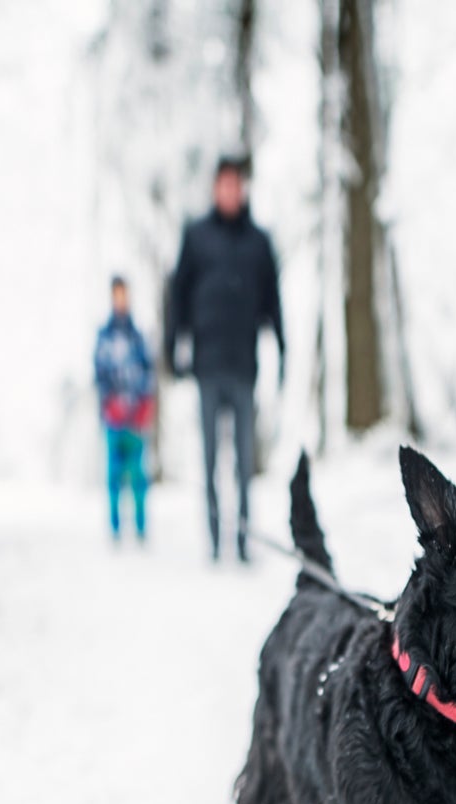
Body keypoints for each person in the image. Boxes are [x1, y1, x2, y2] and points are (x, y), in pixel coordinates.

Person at [166, 152, 284, 562]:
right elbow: (177, 294)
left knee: (244, 461)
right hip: (208, 366)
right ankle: (216, 541)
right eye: (224, 184)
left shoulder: (258, 241)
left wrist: (282, 349)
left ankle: (244, 539)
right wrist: (172, 347)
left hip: (244, 366)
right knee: (212, 458)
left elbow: (273, 299)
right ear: (216, 188)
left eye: (237, 184)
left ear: (243, 189)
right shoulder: (196, 237)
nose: (231, 191)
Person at [94, 276, 156, 542]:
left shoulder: (137, 337)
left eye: (124, 294)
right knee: (114, 476)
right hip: (113, 419)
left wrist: (144, 404)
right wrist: (109, 403)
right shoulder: (104, 337)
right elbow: (98, 375)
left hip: (135, 419)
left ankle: (141, 528)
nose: (121, 300)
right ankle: (115, 528)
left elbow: (148, 373)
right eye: (116, 295)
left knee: (138, 476)